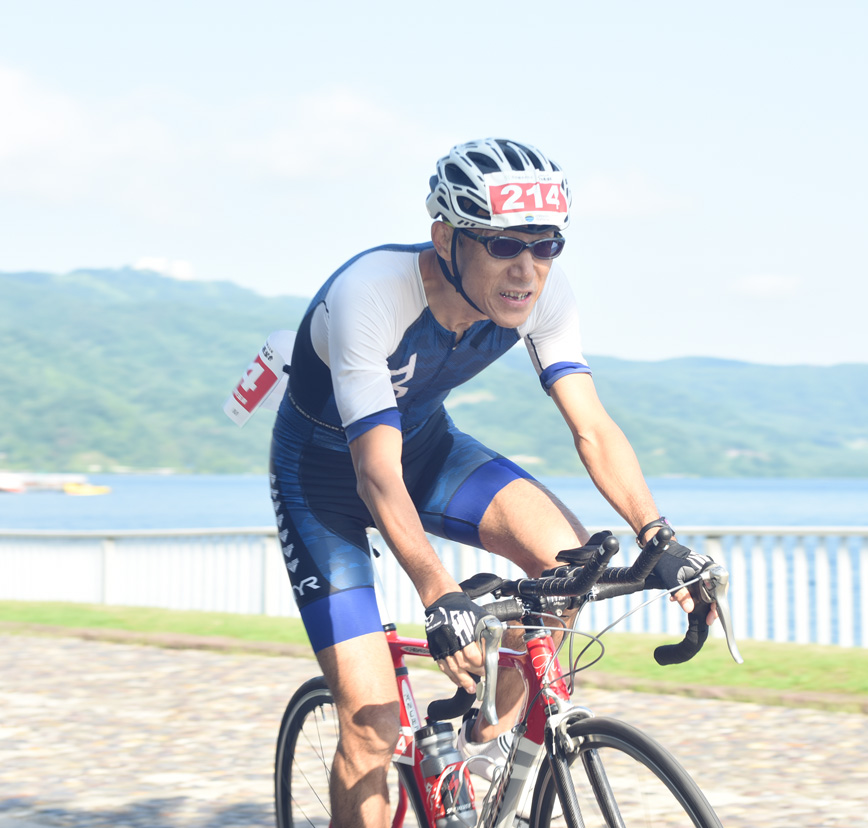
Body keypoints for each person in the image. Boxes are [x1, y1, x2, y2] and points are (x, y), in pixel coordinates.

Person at [266, 137, 714, 827]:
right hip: (323, 481)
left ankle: (482, 748)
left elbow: (592, 425)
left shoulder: (542, 296)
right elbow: (374, 471)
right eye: (505, 245)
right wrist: (439, 592)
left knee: (570, 561)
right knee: (372, 724)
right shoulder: (370, 294)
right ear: (446, 237)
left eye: (546, 246)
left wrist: (658, 537)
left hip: (428, 451)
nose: (527, 271)